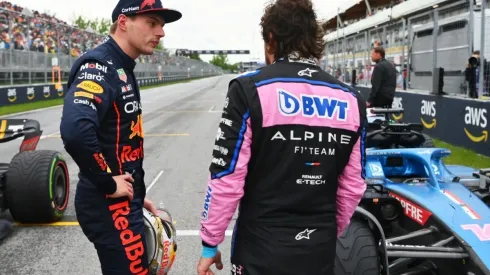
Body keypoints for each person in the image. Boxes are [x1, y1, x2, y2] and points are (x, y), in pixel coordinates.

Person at [196, 0, 367, 274]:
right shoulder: (352, 100)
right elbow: (354, 185)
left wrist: (209, 242)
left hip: (260, 248)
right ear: (314, 39)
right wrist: (327, 231)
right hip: (319, 248)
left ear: (271, 39)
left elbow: (227, 177)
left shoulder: (248, 88)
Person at [59, 0, 181, 274]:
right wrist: (107, 182)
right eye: (152, 23)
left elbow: (118, 141)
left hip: (124, 202)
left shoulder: (122, 65)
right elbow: (76, 130)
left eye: (161, 24)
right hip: (108, 204)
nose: (161, 32)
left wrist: (136, 196)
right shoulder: (99, 65)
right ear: (123, 23)